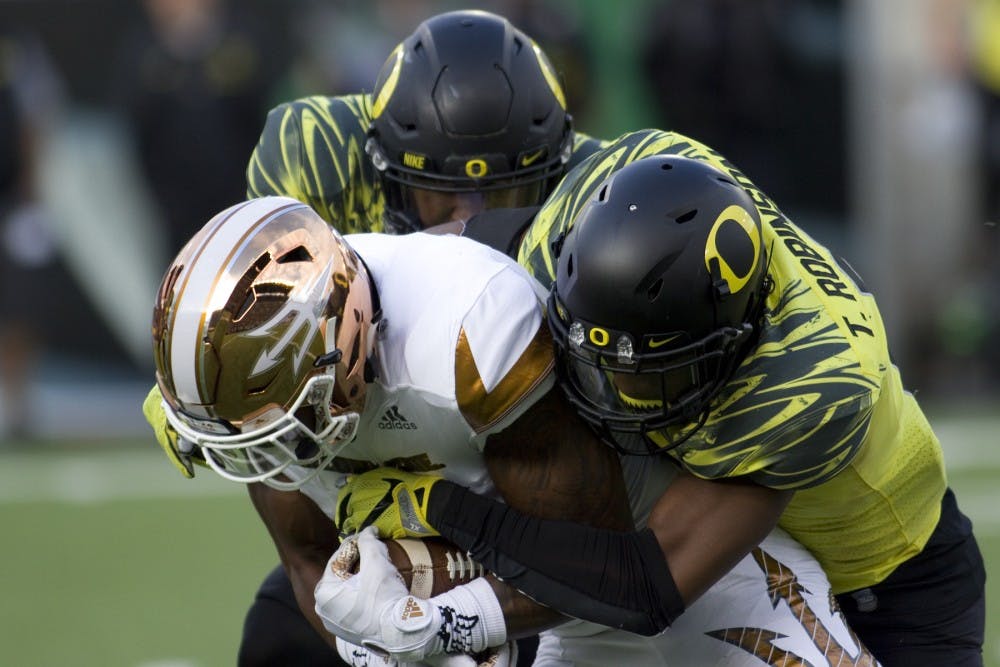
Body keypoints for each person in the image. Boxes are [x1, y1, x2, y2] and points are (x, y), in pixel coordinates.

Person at [150, 195, 876, 667]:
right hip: (528, 608)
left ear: (349, 334)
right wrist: (363, 636)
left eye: (286, 426)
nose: (275, 458)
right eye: (247, 442)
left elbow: (607, 563)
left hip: (660, 554)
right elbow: (309, 558)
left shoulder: (465, 329)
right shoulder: (233, 402)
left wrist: (447, 620)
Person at [338, 139, 986, 665]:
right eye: (592, 354)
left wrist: (436, 507)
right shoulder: (588, 210)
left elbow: (644, 583)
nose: (611, 390)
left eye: (650, 375)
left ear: (728, 347)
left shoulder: (805, 391)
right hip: (743, 550)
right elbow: (450, 259)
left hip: (890, 578)